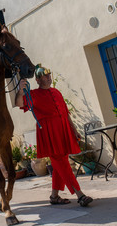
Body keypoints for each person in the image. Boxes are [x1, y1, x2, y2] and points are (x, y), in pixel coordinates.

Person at [15, 63, 93, 207]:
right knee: (62, 163)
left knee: (60, 162)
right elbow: (19, 103)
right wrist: (20, 91)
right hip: (49, 133)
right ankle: (80, 194)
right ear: (37, 80)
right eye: (44, 75)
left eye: (48, 74)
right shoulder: (33, 94)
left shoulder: (56, 92)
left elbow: (66, 113)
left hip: (63, 129)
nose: (48, 77)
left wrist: (74, 129)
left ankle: (54, 196)